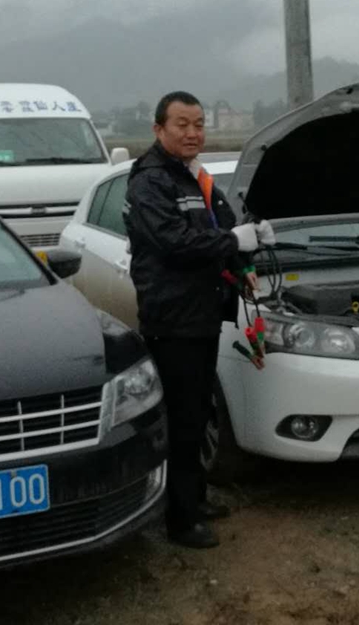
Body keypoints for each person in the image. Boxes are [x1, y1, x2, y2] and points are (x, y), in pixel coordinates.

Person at [123, 91, 273, 548]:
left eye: (199, 125)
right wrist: (234, 241)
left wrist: (245, 256)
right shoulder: (150, 182)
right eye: (182, 124)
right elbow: (174, 243)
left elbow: (219, 227)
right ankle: (180, 520)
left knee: (198, 411)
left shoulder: (194, 177)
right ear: (158, 129)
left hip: (202, 314)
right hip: (173, 320)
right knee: (183, 419)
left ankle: (195, 497)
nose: (192, 133)